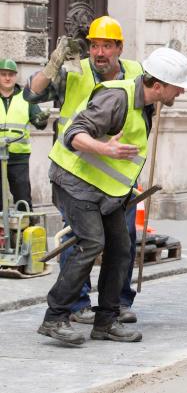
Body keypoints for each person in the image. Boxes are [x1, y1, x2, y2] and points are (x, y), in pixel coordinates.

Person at [36, 47, 187, 345]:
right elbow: (74, 135)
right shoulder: (117, 97)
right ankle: (54, 318)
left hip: (106, 190)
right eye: (178, 86)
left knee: (121, 248)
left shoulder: (146, 103)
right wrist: (107, 148)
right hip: (74, 181)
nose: (181, 92)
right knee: (93, 242)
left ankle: (105, 322)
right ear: (158, 85)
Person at [24, 16, 142, 325]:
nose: (99, 52)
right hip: (76, 174)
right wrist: (52, 65)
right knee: (79, 239)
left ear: (119, 47)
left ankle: (118, 303)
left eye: (106, 45)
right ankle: (77, 304)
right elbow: (31, 94)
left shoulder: (136, 73)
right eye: (94, 45)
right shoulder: (73, 74)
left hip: (116, 178)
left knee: (123, 240)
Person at [0, 58, 49, 209]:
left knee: (23, 198)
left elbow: (39, 122)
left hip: (18, 158)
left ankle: (27, 230)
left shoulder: (25, 97)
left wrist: (41, 119)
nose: (7, 78)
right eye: (3, 74)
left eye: (11, 74)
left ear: (16, 76)